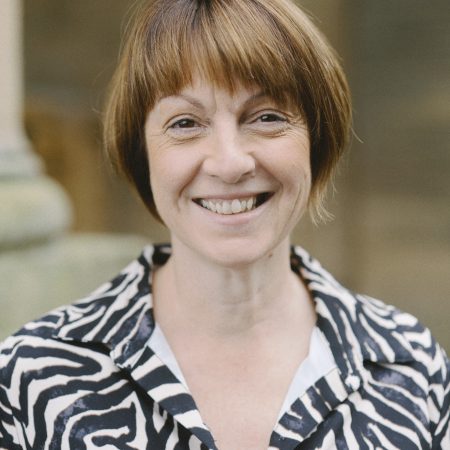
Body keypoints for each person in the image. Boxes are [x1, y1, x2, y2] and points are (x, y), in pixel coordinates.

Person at [0, 0, 449, 448]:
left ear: (316, 138)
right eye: (185, 123)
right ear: (142, 153)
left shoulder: (410, 366)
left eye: (267, 117)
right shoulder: (32, 377)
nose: (229, 163)